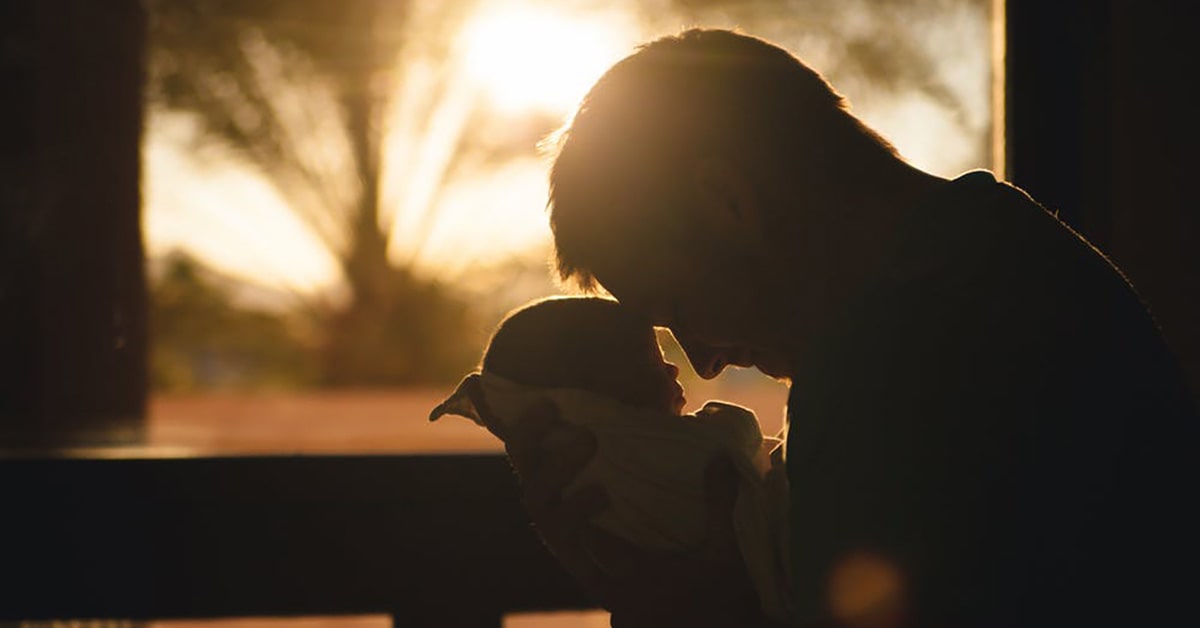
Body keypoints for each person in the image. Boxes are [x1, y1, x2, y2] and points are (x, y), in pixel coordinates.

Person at [500, 27, 1200, 627]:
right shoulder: (1010, 252)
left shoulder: (882, 364)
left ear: (728, 204)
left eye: (677, 309)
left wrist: (686, 604)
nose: (704, 364)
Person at [429, 296, 792, 621]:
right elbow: (737, 443)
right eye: (651, 363)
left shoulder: (587, 485)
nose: (682, 367)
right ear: (593, 406)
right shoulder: (648, 461)